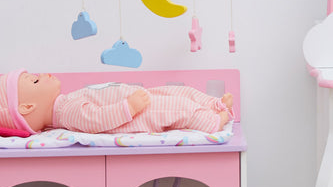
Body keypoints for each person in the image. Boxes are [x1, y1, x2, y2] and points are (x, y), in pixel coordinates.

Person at [0, 70, 233, 136]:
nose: (44, 74)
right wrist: (128, 107)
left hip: (139, 100)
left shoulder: (65, 103)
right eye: (35, 80)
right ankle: (215, 120)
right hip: (139, 113)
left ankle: (214, 104)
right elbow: (95, 121)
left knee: (179, 93)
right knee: (180, 108)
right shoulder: (66, 112)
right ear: (27, 107)